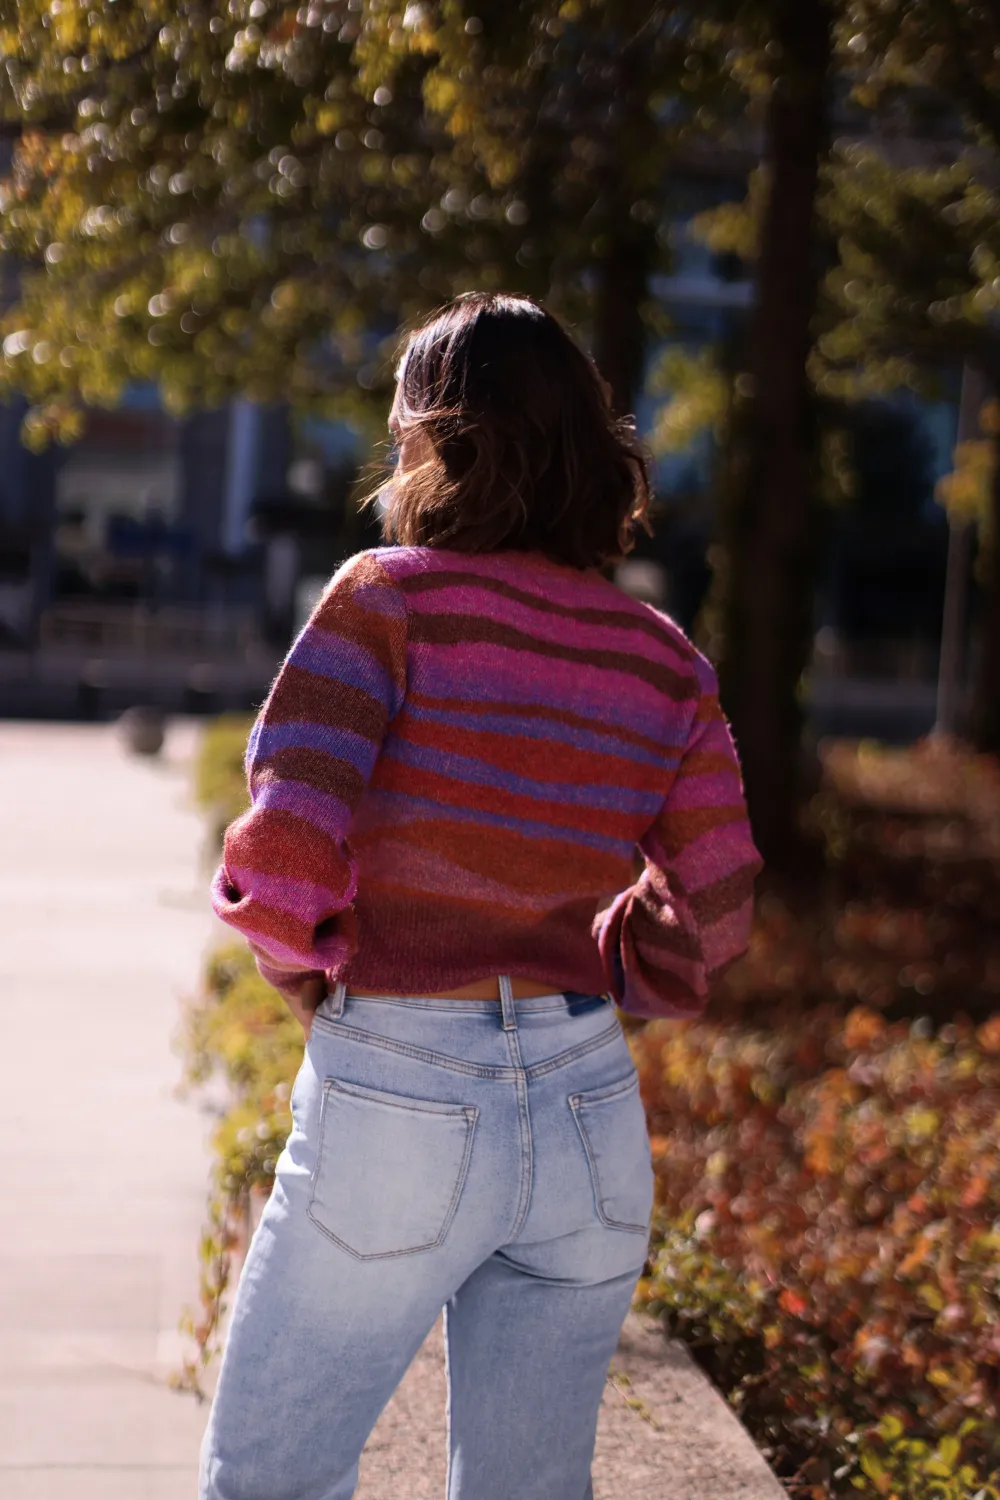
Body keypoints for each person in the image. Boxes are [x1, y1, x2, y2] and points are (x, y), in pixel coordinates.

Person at [200, 292, 762, 1500]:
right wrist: (622, 963)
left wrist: (308, 969)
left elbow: (289, 846)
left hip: (400, 1093)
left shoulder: (387, 602)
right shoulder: (660, 658)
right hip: (587, 1120)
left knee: (269, 1484)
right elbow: (715, 902)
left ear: (435, 440)